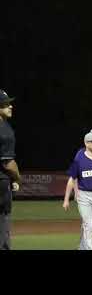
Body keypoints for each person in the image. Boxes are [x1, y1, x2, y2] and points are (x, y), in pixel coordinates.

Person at [0, 90, 20, 250]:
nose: (10, 106)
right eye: (6, 104)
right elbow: (8, 163)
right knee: (3, 221)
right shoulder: (5, 130)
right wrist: (17, 178)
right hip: (1, 183)